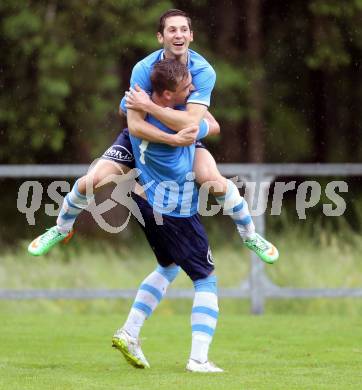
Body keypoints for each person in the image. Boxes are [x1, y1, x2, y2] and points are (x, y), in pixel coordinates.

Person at [27, 9, 278, 264]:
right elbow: (135, 127)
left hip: (183, 135)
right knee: (90, 181)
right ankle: (61, 229)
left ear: (191, 35)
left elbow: (192, 122)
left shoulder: (203, 71)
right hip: (144, 139)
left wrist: (151, 108)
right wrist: (172, 137)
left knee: (213, 179)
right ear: (160, 37)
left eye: (183, 29)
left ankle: (250, 236)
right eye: (172, 30)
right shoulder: (143, 69)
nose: (178, 35)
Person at [112, 58, 223, 372]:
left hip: (141, 198)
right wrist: (180, 124)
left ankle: (130, 331)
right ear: (167, 95)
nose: (191, 92)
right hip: (174, 209)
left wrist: (147, 103)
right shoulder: (176, 120)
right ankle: (198, 359)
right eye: (185, 88)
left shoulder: (141, 113)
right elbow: (210, 126)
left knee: (169, 266)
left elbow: (130, 119)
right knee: (205, 279)